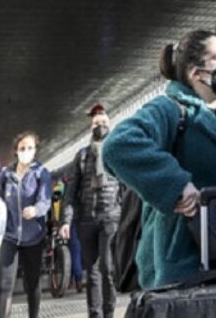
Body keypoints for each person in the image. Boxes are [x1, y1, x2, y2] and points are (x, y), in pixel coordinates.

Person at [102, 30, 216, 289]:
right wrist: (175, 186)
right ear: (195, 72)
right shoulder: (169, 109)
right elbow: (118, 145)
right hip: (187, 256)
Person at [59, 104, 123, 318]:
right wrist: (65, 221)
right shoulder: (82, 155)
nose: (100, 126)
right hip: (85, 220)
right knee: (93, 273)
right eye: (96, 123)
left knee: (107, 268)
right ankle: (94, 314)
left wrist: (121, 210)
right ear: (90, 127)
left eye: (104, 123)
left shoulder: (116, 152)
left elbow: (126, 185)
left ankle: (109, 313)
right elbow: (71, 190)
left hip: (110, 218)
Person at [0, 132, 52, 318]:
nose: (26, 151)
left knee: (32, 283)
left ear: (35, 150)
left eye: (30, 148)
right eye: (22, 148)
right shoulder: (5, 174)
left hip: (33, 237)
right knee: (4, 284)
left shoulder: (41, 173)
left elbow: (45, 200)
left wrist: (36, 210)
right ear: (16, 151)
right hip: (9, 236)